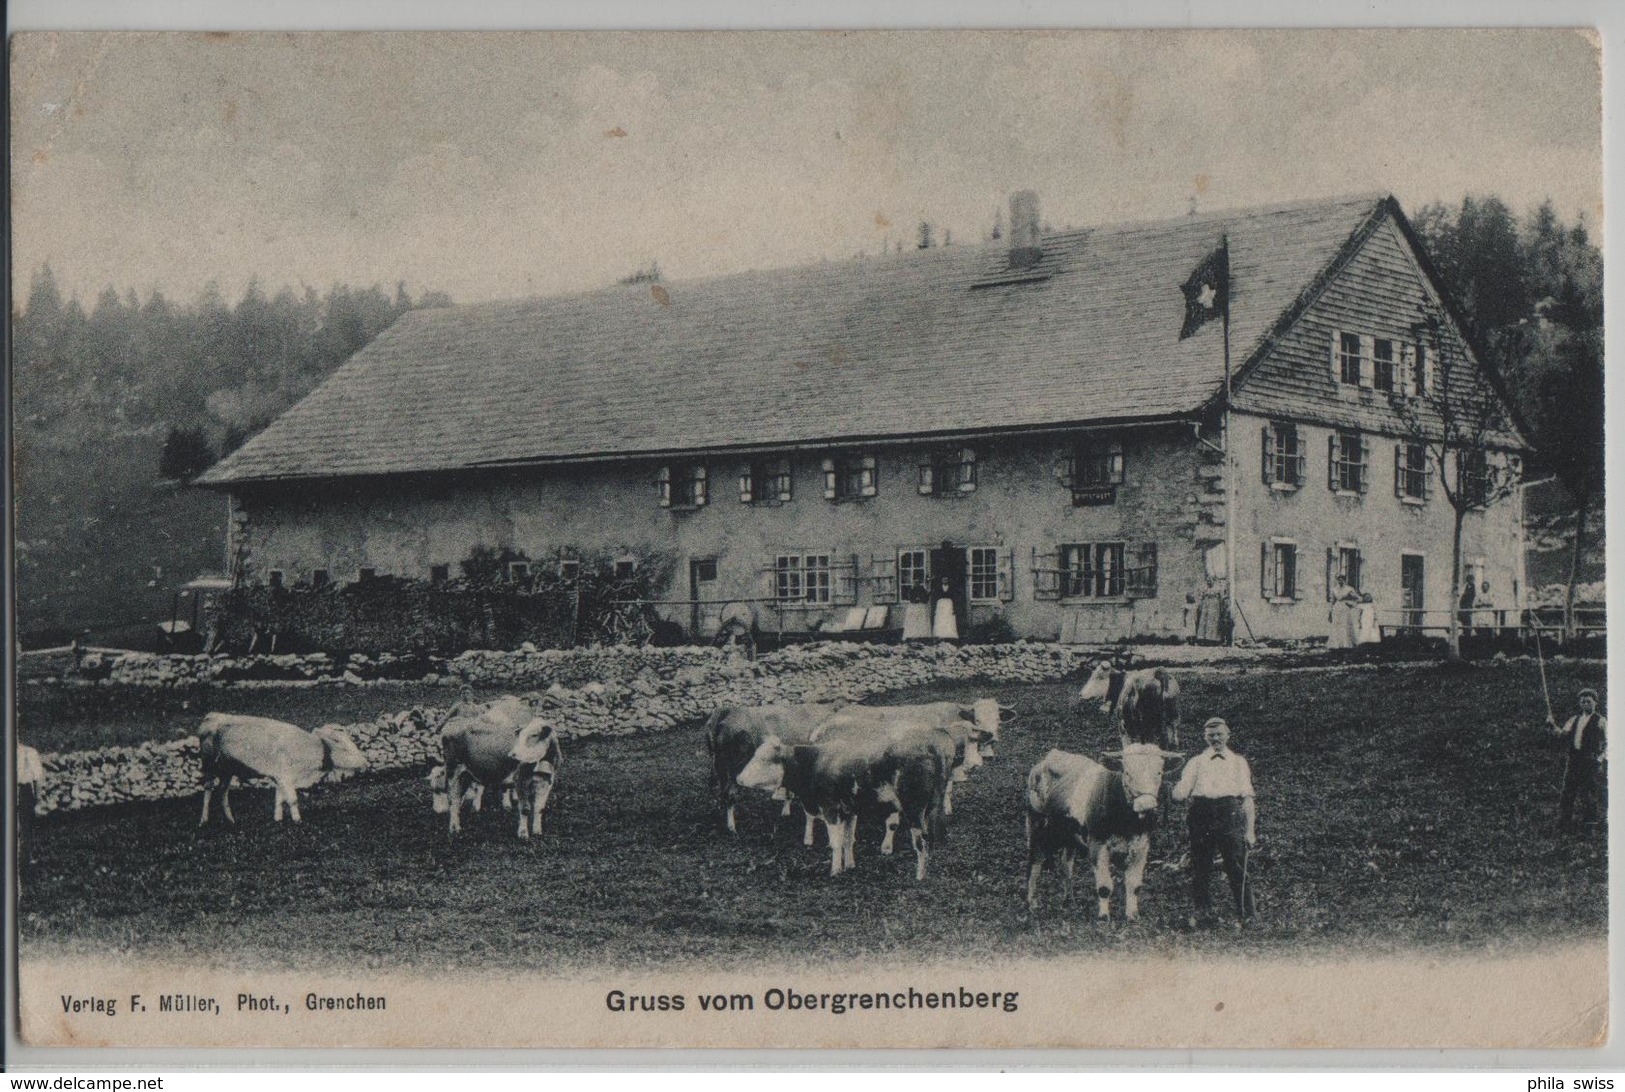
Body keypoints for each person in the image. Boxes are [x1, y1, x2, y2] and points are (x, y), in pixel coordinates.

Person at [1172, 717, 1258, 927]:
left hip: (1229, 814)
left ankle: (1247, 915)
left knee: (1236, 865)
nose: (1216, 738)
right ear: (1205, 737)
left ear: (1228, 735)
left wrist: (1250, 831)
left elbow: (1247, 798)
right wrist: (1168, 787)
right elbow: (1180, 794)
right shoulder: (1196, 762)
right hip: (1201, 814)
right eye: (1211, 735)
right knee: (1201, 867)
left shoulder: (1238, 762)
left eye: (1219, 734)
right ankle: (1204, 914)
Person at [1549, 687, 1606, 835]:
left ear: (1595, 703)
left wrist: (1600, 760)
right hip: (1574, 761)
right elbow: (1562, 735)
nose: (1585, 704)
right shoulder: (1574, 719)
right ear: (1580, 704)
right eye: (1583, 701)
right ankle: (1564, 824)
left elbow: (1609, 743)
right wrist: (1552, 725)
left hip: (1590, 761)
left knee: (1588, 794)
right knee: (1568, 792)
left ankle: (1589, 826)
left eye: (1588, 701)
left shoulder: (1601, 721)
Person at [1326, 576, 1361, 650]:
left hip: (1345, 608)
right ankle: (1336, 643)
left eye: (1341, 580)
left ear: (1345, 580)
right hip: (1336, 608)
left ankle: (1345, 643)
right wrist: (1330, 612)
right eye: (1339, 580)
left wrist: (1350, 603)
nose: (1340, 582)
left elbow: (1358, 598)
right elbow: (1332, 601)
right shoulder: (1334, 589)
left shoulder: (1349, 589)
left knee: (1344, 624)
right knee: (1336, 624)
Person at [931, 575, 959, 641]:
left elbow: (954, 596)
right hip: (941, 603)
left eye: (946, 580)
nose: (945, 581)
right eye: (944, 580)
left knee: (948, 618)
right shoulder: (938, 588)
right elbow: (935, 595)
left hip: (948, 603)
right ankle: (940, 634)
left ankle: (949, 634)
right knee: (941, 618)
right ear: (941, 581)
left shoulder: (951, 588)